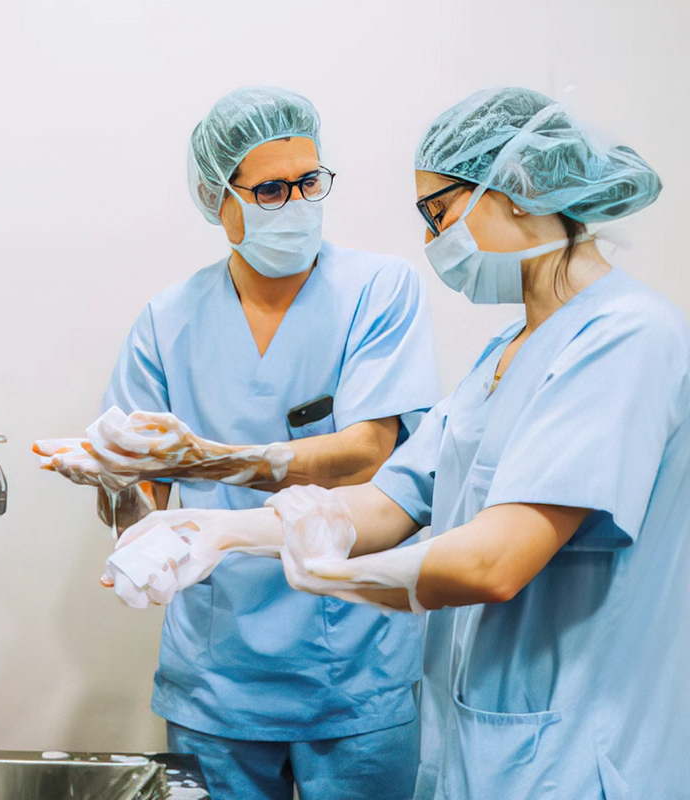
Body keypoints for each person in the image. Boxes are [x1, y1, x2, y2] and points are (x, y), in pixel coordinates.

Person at [118, 87, 690, 799]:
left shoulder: (625, 339)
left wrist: (328, 575)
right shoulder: (506, 354)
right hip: (491, 747)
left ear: (516, 190)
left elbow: (495, 562)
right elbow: (394, 497)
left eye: (439, 211)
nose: (431, 240)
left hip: (581, 755)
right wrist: (217, 529)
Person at [42, 86, 441, 800]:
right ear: (216, 198)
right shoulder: (168, 322)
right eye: (270, 189)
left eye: (310, 182)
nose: (296, 204)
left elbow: (370, 451)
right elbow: (146, 514)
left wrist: (219, 459)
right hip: (217, 682)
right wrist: (112, 479)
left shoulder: (379, 290)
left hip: (352, 670)